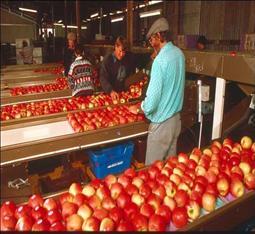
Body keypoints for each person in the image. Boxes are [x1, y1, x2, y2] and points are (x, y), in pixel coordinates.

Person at [129, 17, 185, 166]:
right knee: (169, 169)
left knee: (152, 173)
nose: (151, 45)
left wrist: (140, 108)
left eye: (152, 40)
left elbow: (152, 101)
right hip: (176, 121)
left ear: (159, 36)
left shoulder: (160, 61)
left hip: (161, 125)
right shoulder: (179, 54)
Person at [99, 36, 136, 101]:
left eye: (124, 52)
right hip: (110, 94)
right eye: (120, 51)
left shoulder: (129, 57)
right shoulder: (108, 60)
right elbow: (103, 78)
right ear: (115, 47)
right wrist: (110, 91)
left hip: (124, 94)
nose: (121, 54)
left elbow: (140, 58)